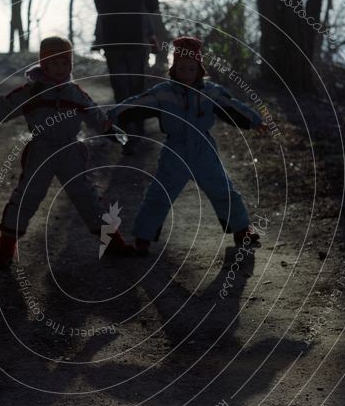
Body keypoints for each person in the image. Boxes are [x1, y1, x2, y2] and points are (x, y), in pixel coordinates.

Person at [0, 35, 136, 269]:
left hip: (70, 150)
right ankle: (5, 247)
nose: (60, 69)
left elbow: (94, 112)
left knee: (86, 196)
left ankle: (112, 242)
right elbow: (4, 106)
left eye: (65, 63)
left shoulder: (74, 93)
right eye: (54, 63)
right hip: (41, 151)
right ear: (44, 64)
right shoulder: (32, 92)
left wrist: (109, 131)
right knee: (27, 196)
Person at [109, 36, 265, 255]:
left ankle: (241, 229)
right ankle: (143, 236)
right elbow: (137, 102)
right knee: (159, 195)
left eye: (191, 69)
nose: (186, 74)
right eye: (181, 69)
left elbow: (233, 105)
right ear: (174, 69)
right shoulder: (163, 92)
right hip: (175, 150)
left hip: (204, 149)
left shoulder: (211, 92)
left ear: (199, 69)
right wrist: (113, 115)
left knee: (223, 189)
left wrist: (254, 120)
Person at [91, 0, 157, 153]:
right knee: (136, 86)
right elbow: (151, 4)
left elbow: (101, 9)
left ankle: (127, 133)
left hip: (112, 40)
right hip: (135, 38)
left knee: (121, 88)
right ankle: (138, 130)